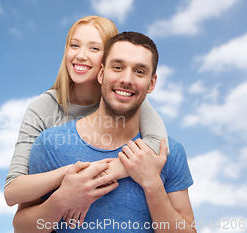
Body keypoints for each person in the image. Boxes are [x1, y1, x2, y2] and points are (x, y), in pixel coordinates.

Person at [13, 31, 195, 232]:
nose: (127, 79)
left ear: (151, 83)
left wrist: (153, 184)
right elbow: (22, 229)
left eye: (140, 72)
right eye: (117, 67)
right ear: (101, 74)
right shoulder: (50, 145)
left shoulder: (169, 153)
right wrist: (61, 200)